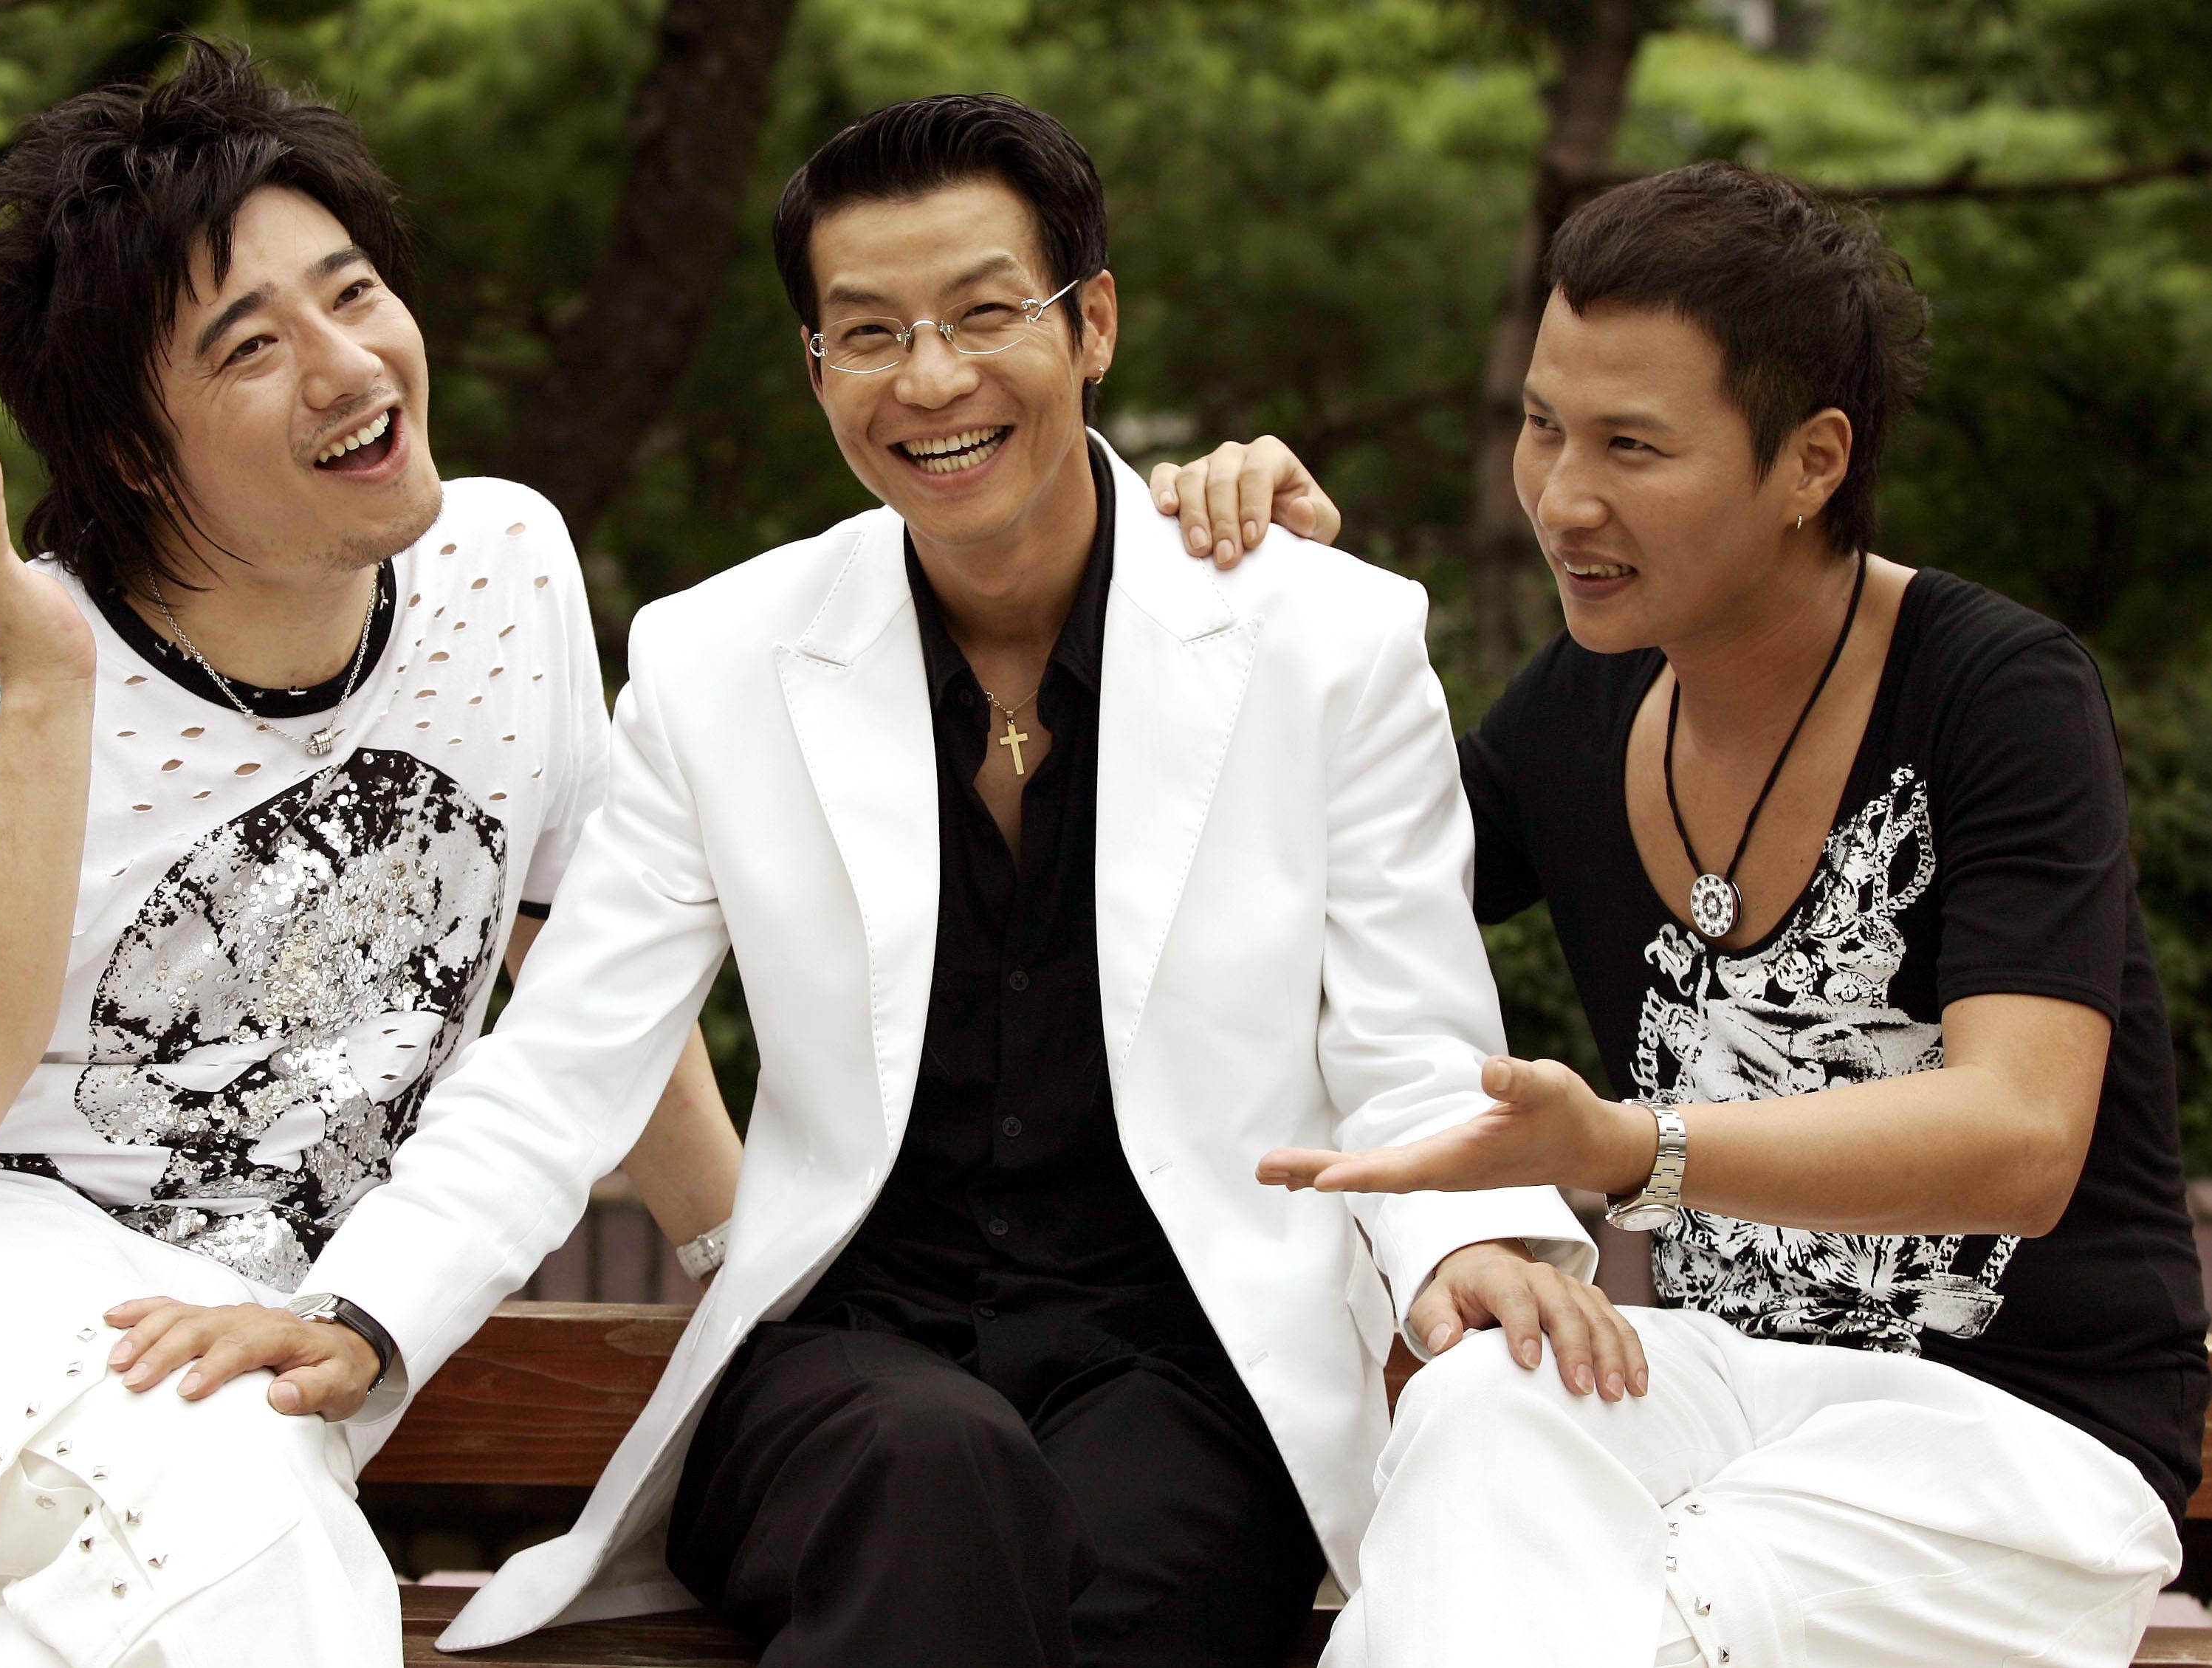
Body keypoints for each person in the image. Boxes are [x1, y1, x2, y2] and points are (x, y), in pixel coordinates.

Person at [109, 93, 1642, 1664]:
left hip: (1185, 1368)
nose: (930, 379)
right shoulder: (719, 659)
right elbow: (563, 1065)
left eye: (985, 314)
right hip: (838, 1366)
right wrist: (361, 1313)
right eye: (869, 332)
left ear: (1093, 324)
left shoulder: (1328, 640)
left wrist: (1472, 1242)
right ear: (816, 368)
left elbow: (1406, 1037)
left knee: (1132, 1579)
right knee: (934, 1471)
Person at [0, 41, 743, 1668]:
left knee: (93, 1607)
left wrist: (742, 1266)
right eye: (254, 347)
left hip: (263, 1358)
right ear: (133, 451)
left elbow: (584, 973)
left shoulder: (508, 563)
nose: (350, 366)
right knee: (232, 1491)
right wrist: (48, 688)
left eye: (354, 294)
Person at [1165, 161, 2210, 1668]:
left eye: (1632, 445)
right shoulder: (1582, 709)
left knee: (1619, 1610)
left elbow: (2021, 1141)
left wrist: (1624, 1146)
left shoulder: (1995, 693)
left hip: (2021, 1441)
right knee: (1481, 1400)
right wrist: (1274, 611)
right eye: (1543, 425)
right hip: (1716, 1387)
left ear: (1811, 462)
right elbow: (1320, 883)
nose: (1561, 497)